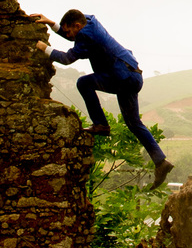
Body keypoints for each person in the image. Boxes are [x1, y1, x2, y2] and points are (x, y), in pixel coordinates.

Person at [33, 10, 173, 190]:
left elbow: (67, 58)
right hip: (131, 74)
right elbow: (73, 37)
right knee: (133, 123)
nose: (68, 35)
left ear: (77, 26)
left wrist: (45, 48)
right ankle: (161, 162)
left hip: (121, 77)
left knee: (84, 83)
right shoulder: (88, 20)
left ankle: (101, 125)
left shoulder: (86, 35)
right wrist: (52, 23)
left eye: (69, 31)